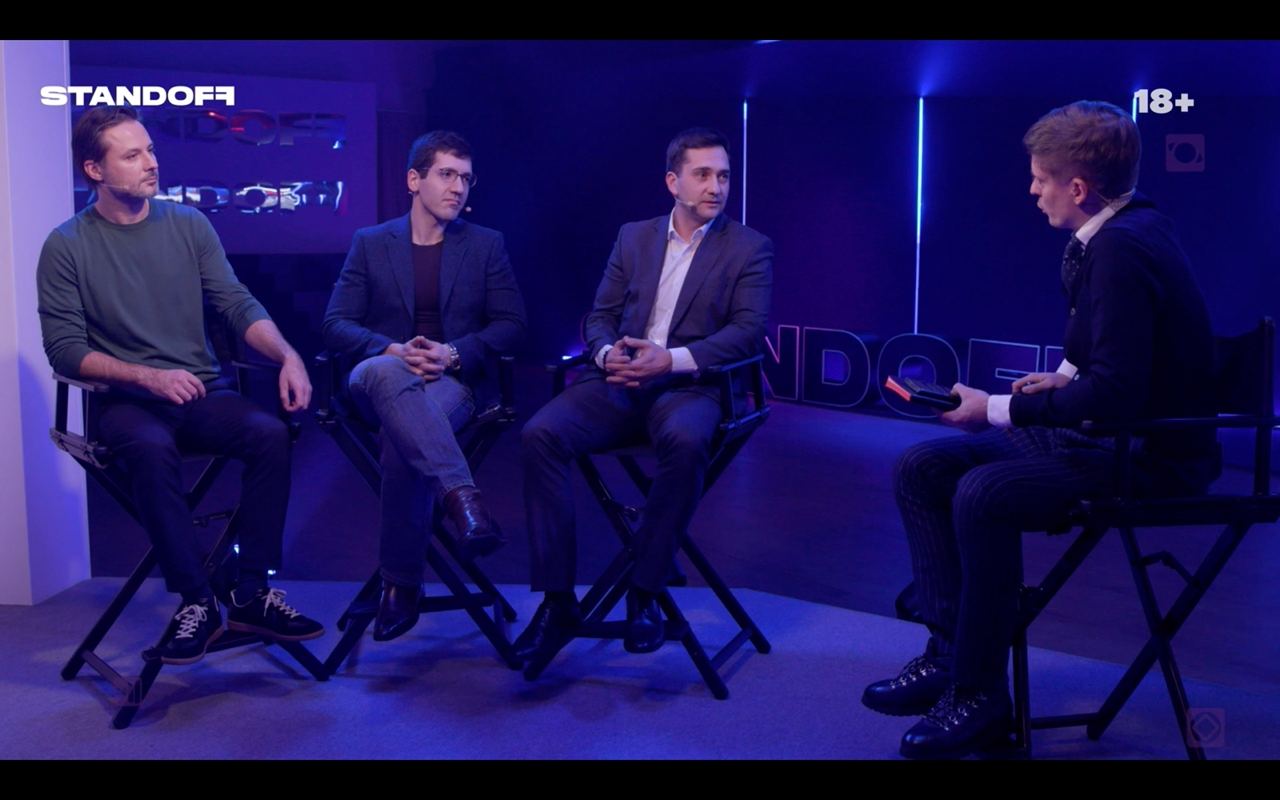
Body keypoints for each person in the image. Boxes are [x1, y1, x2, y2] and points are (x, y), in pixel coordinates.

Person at [861, 100, 1220, 759]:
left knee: (983, 493)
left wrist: (995, 408)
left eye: (1039, 178)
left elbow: (1115, 395)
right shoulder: (1123, 230)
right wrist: (1061, 379)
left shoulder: (1122, 249)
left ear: (1077, 188)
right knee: (922, 468)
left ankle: (979, 695)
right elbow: (1111, 363)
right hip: (1110, 432)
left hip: (1147, 453)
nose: (1032, 190)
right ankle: (949, 655)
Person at [37, 105, 324, 665]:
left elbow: (236, 303)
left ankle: (250, 592)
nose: (151, 163)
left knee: (269, 434)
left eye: (150, 149)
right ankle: (197, 599)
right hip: (125, 404)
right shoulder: (66, 244)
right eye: (132, 155)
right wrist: (148, 376)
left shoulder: (189, 225)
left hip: (198, 394)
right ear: (95, 170)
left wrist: (288, 355)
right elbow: (65, 350)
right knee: (149, 447)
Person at [516, 127, 773, 661]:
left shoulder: (749, 247)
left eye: (724, 175)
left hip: (691, 387)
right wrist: (606, 353)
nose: (716, 187)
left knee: (686, 441)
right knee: (540, 434)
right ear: (673, 182)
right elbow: (601, 316)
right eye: (703, 175)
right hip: (621, 381)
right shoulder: (633, 237)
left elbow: (748, 333)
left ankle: (646, 591)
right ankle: (558, 602)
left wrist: (671, 360)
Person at [323, 130, 526, 642]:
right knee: (386, 375)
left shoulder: (485, 245)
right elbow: (335, 324)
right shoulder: (371, 243)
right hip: (377, 376)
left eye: (466, 178)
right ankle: (463, 499)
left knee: (403, 440)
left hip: (448, 383)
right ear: (414, 180)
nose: (458, 187)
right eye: (447, 175)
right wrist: (392, 349)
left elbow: (512, 324)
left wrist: (452, 352)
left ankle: (401, 583)